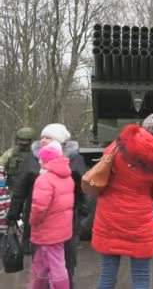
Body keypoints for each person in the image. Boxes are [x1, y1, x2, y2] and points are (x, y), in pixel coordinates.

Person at [92, 113, 153, 289]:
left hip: (109, 216)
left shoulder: (120, 143)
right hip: (139, 221)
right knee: (141, 276)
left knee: (107, 273)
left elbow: (103, 166)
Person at [7, 123, 87, 288]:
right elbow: (20, 188)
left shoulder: (75, 159)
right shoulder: (32, 158)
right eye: (42, 136)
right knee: (40, 262)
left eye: (48, 137)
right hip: (38, 219)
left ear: (59, 141)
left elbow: (83, 189)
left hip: (67, 220)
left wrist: (83, 213)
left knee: (66, 262)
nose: (42, 140)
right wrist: (13, 213)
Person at [29, 141, 74, 289]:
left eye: (41, 159)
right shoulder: (67, 176)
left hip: (47, 230)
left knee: (56, 266)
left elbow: (39, 208)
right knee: (41, 262)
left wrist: (33, 222)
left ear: (45, 160)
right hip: (62, 228)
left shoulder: (44, 180)